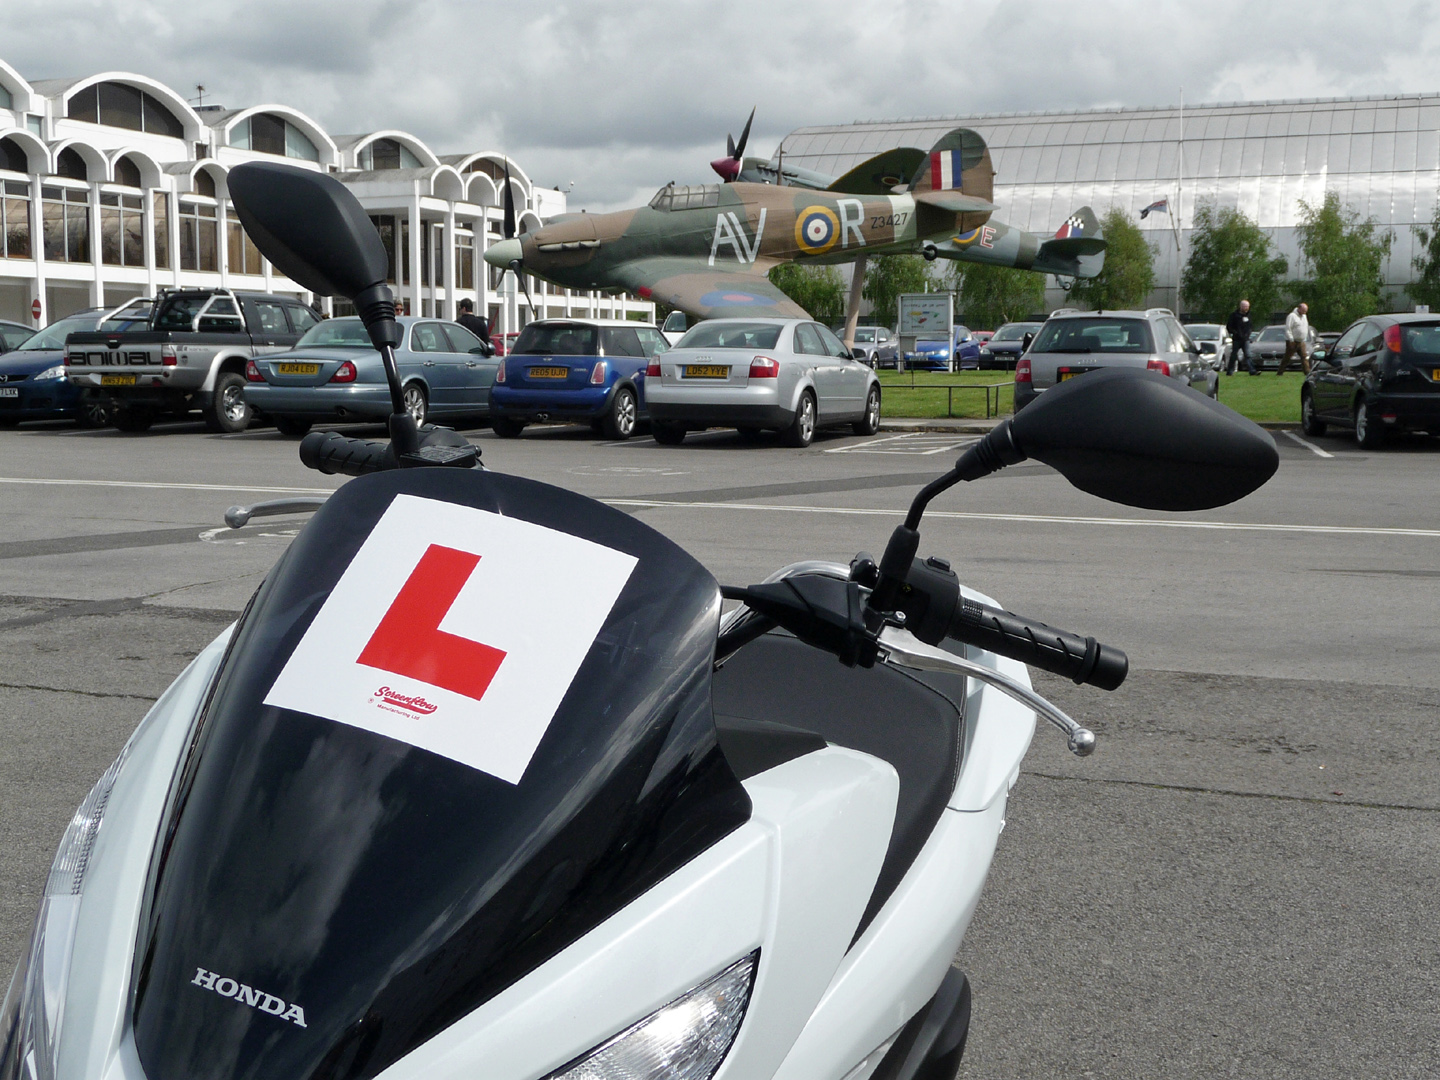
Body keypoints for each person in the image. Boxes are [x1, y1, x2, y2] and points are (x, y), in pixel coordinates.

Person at [1279, 302, 1310, 376]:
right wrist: (1291, 339)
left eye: (1306, 311)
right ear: (1299, 309)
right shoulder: (1291, 316)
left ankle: (1307, 372)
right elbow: (1288, 328)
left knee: (1304, 357)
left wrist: (1304, 337)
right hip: (1292, 341)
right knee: (1287, 357)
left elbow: (1305, 327)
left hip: (1301, 341)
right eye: (1303, 311)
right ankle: (1280, 372)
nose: (1304, 312)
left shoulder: (1304, 316)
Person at [1225, 299, 1255, 375]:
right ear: (1241, 306)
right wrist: (1236, 333)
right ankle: (1230, 371)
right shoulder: (1234, 315)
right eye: (1245, 306)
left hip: (1246, 339)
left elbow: (1250, 326)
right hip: (1237, 339)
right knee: (1234, 356)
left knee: (1248, 355)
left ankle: (1252, 371)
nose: (1246, 308)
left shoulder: (1249, 315)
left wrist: (1248, 334)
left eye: (1247, 307)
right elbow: (1229, 327)